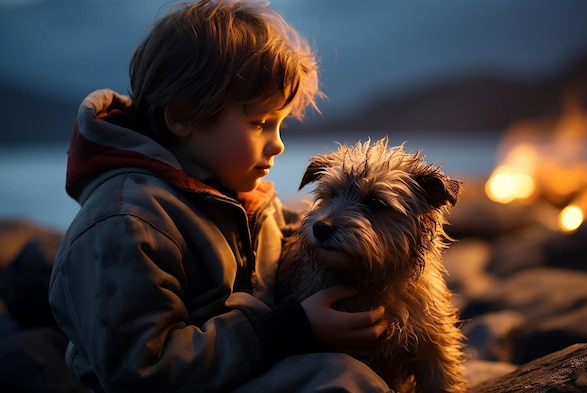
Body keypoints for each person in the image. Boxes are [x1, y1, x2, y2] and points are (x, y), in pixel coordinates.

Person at [48, 1, 390, 392]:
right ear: (182, 117)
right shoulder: (125, 223)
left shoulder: (246, 200)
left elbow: (294, 243)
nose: (277, 145)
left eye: (280, 124)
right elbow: (142, 370)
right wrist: (290, 328)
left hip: (248, 370)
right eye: (259, 123)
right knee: (342, 381)